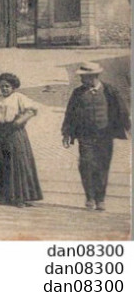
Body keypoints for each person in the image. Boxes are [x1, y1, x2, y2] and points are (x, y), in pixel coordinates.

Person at [61, 61, 130, 212]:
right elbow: (70, 114)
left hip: (105, 136)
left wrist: (128, 128)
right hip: (85, 136)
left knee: (102, 167)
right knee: (85, 165)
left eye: (83, 77)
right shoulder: (78, 93)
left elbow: (122, 111)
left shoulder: (110, 91)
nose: (81, 80)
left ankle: (100, 199)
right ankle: (90, 197)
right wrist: (66, 132)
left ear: (93, 76)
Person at [0, 72, 42, 207]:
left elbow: (32, 110)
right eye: (2, 86)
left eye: (7, 86)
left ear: (13, 87)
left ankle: (20, 197)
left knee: (18, 163)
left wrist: (18, 122)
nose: (4, 89)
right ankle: (3, 196)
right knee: (0, 162)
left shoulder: (18, 97)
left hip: (15, 132)